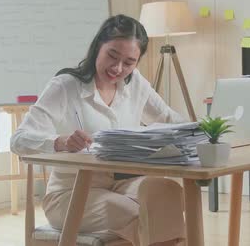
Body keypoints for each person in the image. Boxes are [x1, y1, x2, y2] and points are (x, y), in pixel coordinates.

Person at [11, 14, 187, 246]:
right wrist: (60, 142)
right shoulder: (65, 86)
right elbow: (19, 140)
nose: (118, 68)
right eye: (112, 56)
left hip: (124, 185)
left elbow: (170, 120)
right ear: (97, 47)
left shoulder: (135, 84)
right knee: (141, 215)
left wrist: (205, 131)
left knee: (168, 195)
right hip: (72, 194)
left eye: (129, 62)